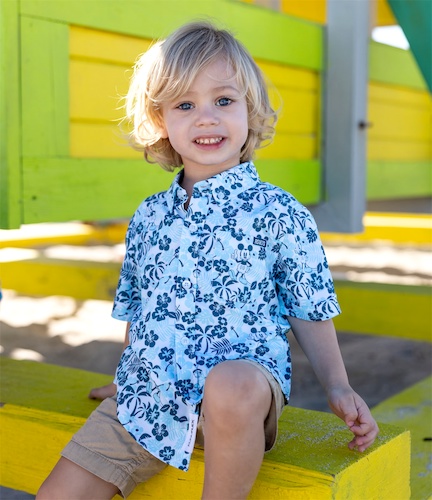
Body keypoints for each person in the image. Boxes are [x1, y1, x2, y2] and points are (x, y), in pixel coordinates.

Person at [37, 20, 378, 500]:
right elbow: (140, 305)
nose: (206, 118)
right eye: (185, 105)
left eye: (223, 100)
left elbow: (310, 306)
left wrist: (338, 386)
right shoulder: (150, 215)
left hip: (242, 396)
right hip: (151, 396)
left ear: (249, 110)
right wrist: (125, 378)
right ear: (159, 120)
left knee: (230, 382)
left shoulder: (278, 212)